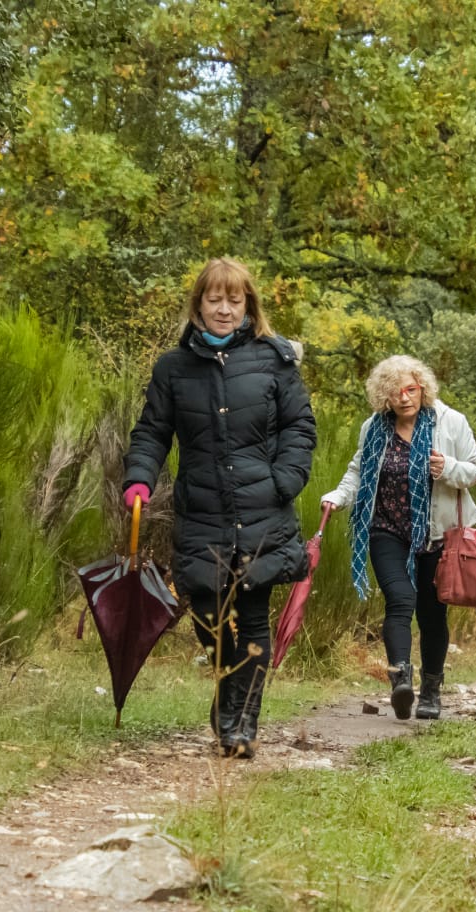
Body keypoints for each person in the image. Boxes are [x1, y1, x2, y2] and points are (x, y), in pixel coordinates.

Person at [122, 257, 316, 758]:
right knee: (208, 612)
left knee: (251, 614)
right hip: (202, 509)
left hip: (262, 508)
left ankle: (241, 722)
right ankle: (228, 691)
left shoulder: (274, 360)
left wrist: (286, 479)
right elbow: (152, 431)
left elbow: (299, 426)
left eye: (234, 300)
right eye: (215, 300)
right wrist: (139, 478)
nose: (224, 310)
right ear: (199, 305)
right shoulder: (173, 368)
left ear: (248, 305)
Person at [320, 356, 476, 721]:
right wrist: (338, 497)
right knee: (399, 600)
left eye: (411, 389)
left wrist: (449, 468)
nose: (405, 397)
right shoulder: (373, 427)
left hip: (436, 534)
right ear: (385, 396)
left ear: (423, 389)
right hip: (386, 529)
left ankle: (431, 691)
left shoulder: (450, 422)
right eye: (396, 392)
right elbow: (357, 472)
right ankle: (401, 681)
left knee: (431, 613)